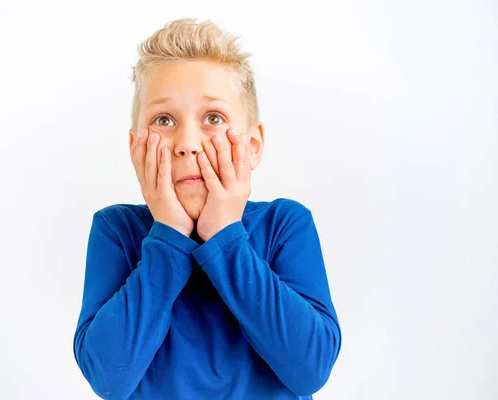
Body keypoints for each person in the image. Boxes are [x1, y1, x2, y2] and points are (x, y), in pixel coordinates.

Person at [73, 18, 341, 400]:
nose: (188, 144)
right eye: (163, 120)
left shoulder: (286, 224)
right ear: (136, 148)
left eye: (213, 118)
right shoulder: (117, 230)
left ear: (253, 145)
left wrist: (226, 236)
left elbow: (310, 368)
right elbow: (109, 377)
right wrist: (168, 235)